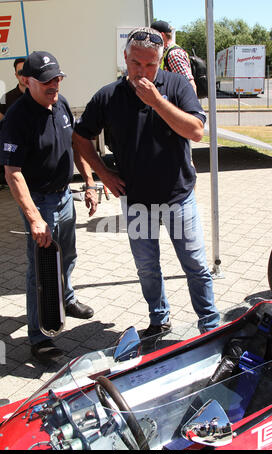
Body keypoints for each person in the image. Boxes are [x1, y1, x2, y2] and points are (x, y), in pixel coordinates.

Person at [73, 27, 219, 338]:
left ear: (160, 59)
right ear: (125, 58)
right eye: (136, 63)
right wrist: (103, 174)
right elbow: (80, 137)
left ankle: (210, 324)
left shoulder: (176, 85)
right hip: (137, 202)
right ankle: (159, 318)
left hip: (178, 198)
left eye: (151, 64)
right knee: (147, 269)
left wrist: (157, 102)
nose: (143, 71)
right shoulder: (109, 96)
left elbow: (196, 131)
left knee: (195, 266)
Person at [0, 51, 97, 363]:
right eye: (47, 81)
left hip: (66, 196)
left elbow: (76, 145)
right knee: (40, 272)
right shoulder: (17, 117)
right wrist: (34, 218)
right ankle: (40, 338)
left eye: (57, 78)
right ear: (28, 82)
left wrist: (90, 182)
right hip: (40, 202)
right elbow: (12, 172)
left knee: (67, 255)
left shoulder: (62, 103)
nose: (54, 84)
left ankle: (67, 299)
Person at [151, 20, 197, 95]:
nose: (151, 40)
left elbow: (190, 85)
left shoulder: (174, 54)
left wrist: (190, 106)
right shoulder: (166, 53)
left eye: (153, 37)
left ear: (162, 35)